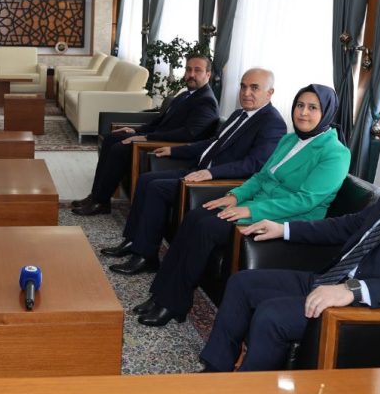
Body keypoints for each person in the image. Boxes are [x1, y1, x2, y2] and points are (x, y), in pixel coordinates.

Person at [199, 112, 380, 372]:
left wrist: (353, 291)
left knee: (272, 315)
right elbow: (350, 225)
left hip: (369, 307)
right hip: (331, 279)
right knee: (242, 284)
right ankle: (214, 371)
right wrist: (284, 229)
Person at [137, 84, 350, 327]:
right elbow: (261, 177)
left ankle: (173, 304)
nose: (303, 113)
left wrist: (250, 210)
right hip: (257, 204)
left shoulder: (335, 153)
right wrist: (235, 196)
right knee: (196, 216)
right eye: (300, 105)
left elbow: (305, 200)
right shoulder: (290, 139)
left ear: (327, 112)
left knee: (206, 228)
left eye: (313, 108)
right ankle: (161, 294)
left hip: (287, 219)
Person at [102, 68, 286, 275]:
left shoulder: (272, 123)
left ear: (270, 93)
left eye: (254, 88)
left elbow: (254, 164)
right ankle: (133, 241)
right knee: (145, 180)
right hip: (199, 171)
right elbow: (213, 142)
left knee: (157, 188)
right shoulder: (239, 114)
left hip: (219, 182)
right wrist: (175, 150)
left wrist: (212, 173)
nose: (246, 93)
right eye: (243, 87)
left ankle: (145, 256)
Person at [72, 54, 220, 216]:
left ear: (208, 74)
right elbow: (160, 121)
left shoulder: (206, 101)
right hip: (157, 138)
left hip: (171, 148)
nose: (191, 74)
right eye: (188, 69)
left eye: (197, 70)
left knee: (120, 148)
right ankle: (96, 196)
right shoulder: (186, 94)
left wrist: (147, 138)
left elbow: (189, 134)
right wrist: (136, 131)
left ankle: (100, 201)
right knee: (110, 139)